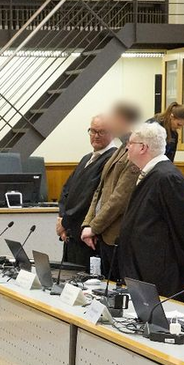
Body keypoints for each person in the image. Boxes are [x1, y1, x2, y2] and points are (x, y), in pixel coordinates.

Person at [115, 121, 184, 297]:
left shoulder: (167, 177)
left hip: (158, 271)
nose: (127, 147)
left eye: (130, 143)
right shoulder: (151, 173)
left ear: (143, 147)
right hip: (142, 266)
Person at [80, 102, 142, 277]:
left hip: (116, 234)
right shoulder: (122, 147)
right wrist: (88, 224)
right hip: (103, 233)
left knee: (115, 285)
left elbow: (119, 199)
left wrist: (94, 227)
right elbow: (99, 191)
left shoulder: (134, 150)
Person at [57, 114, 116, 267]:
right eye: (93, 131)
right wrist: (61, 218)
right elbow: (66, 190)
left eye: (101, 132)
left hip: (88, 237)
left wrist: (65, 222)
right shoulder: (86, 158)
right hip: (71, 235)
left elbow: (88, 196)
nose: (96, 136)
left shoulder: (111, 159)